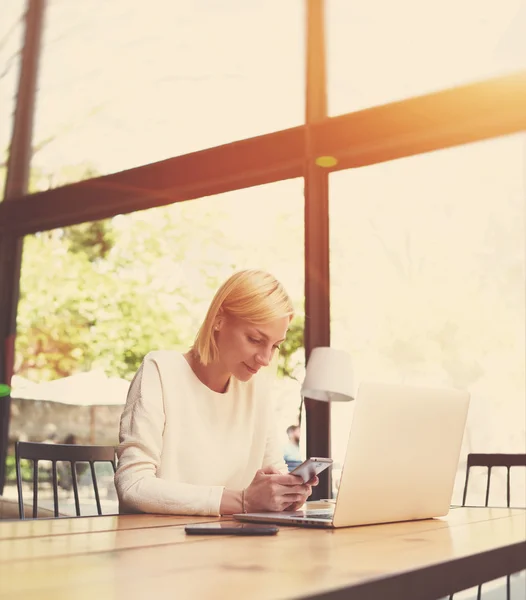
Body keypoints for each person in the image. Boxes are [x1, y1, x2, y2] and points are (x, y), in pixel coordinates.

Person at [115, 269, 318, 516]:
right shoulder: (160, 371)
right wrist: (243, 501)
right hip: (159, 543)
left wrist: (286, 493)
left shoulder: (256, 389)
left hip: (231, 544)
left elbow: (273, 469)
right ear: (219, 320)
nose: (265, 359)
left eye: (274, 346)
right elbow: (133, 485)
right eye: (255, 339)